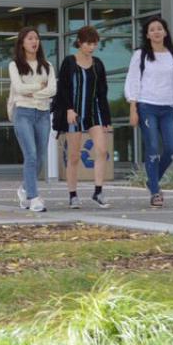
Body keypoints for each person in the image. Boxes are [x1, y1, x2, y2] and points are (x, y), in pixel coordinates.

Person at [124, 16, 173, 208]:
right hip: (146, 106)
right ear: (147, 34)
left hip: (168, 107)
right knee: (152, 146)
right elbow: (133, 80)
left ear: (165, 32)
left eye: (160, 28)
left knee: (171, 149)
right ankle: (154, 192)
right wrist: (133, 108)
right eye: (152, 29)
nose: (156, 32)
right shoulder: (140, 55)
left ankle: (152, 180)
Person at [53, 25, 112, 209]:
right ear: (79, 42)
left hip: (94, 113)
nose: (91, 47)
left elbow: (102, 93)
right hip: (74, 113)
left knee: (102, 150)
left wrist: (106, 119)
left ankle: (98, 191)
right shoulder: (69, 62)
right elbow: (62, 88)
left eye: (94, 43)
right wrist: (69, 109)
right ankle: (73, 195)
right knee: (74, 156)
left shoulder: (98, 64)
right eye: (88, 43)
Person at [9, 26, 56, 213]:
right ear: (22, 43)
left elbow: (52, 89)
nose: (34, 42)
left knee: (41, 159)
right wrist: (39, 86)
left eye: (36, 38)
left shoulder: (48, 65)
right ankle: (34, 198)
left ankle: (24, 189)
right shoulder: (14, 65)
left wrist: (33, 93)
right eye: (29, 38)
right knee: (31, 155)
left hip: (43, 114)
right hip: (23, 114)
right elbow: (19, 89)